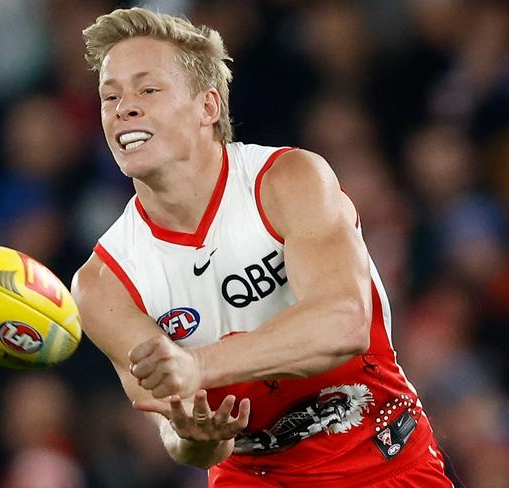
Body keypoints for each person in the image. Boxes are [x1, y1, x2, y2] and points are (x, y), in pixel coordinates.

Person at [71, 7, 455, 487]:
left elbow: (344, 323)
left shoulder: (287, 181)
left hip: (384, 460)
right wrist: (199, 435)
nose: (123, 107)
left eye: (148, 89)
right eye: (111, 96)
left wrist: (198, 366)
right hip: (253, 477)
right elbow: (175, 435)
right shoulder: (102, 284)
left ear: (208, 107)